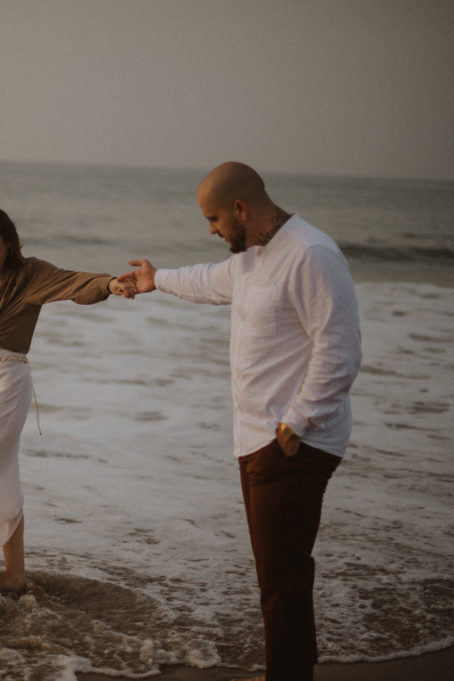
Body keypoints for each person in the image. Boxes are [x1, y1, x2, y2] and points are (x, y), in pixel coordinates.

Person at [119, 162, 361, 681]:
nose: (210, 230)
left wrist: (295, 425)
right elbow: (210, 280)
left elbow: (340, 352)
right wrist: (157, 279)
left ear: (240, 208)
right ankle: (286, 671)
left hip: (294, 442)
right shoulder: (252, 256)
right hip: (258, 439)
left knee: (281, 576)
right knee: (277, 573)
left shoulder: (311, 254)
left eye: (213, 219)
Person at [0, 207, 132, 596]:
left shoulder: (30, 274)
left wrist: (111, 285)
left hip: (8, 386)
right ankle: (15, 575)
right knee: (0, 477)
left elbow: (74, 283)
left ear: (12, 243)